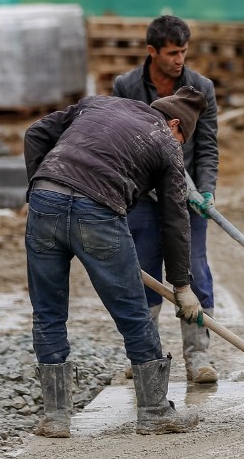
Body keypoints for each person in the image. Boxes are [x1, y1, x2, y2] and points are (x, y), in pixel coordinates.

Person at [24, 87, 207, 437]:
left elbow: (35, 133)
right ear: (173, 124)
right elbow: (174, 220)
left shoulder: (98, 102)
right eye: (182, 137)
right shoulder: (166, 143)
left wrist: (35, 190)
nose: (179, 145)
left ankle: (56, 418)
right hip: (98, 210)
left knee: (47, 311)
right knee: (134, 312)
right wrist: (182, 286)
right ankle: (154, 411)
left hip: (45, 199)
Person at [112, 15, 220, 384]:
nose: (179, 60)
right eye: (172, 53)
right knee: (142, 274)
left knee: (194, 271)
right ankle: (145, 355)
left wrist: (205, 190)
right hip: (142, 198)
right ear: (152, 52)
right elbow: (121, 144)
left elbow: (206, 147)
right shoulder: (126, 86)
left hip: (188, 199)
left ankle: (198, 357)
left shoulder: (200, 87)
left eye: (184, 52)